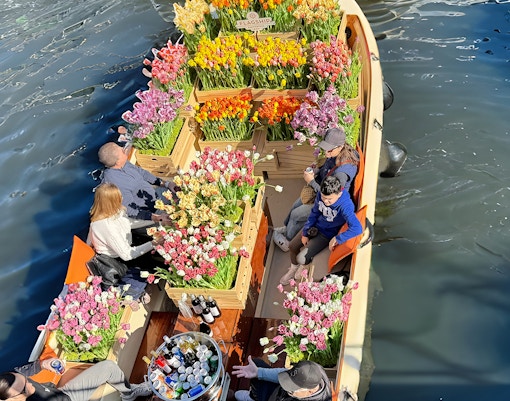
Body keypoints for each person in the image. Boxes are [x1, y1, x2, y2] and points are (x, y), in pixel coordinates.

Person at [273, 128, 359, 252]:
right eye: (325, 148)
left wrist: (311, 182)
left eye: (329, 150)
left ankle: (288, 240)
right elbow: (327, 167)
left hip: (327, 201)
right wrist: (316, 171)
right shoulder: (338, 152)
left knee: (296, 215)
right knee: (294, 205)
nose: (326, 153)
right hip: (321, 188)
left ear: (340, 147)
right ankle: (287, 229)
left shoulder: (341, 173)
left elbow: (329, 195)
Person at [280, 175, 362, 285]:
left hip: (326, 234)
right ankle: (293, 268)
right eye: (324, 198)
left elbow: (357, 228)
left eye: (329, 199)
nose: (326, 202)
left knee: (301, 258)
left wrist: (338, 238)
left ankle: (304, 265)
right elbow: (314, 213)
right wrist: (305, 232)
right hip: (316, 226)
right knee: (292, 246)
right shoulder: (321, 195)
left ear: (339, 194)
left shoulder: (346, 205)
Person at [86, 183, 162, 299]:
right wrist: (154, 243)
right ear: (111, 202)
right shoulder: (105, 227)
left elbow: (128, 223)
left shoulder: (112, 212)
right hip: (119, 260)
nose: (122, 199)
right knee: (154, 268)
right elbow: (127, 255)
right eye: (119, 197)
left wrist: (157, 219)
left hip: (127, 248)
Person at [0, 358, 151, 401]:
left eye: (26, 380)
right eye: (25, 389)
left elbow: (26, 370)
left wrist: (44, 364)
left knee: (108, 367)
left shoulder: (13, 379)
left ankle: (129, 393)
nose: (29, 383)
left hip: (66, 395)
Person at [98, 142, 175, 223]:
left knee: (183, 188)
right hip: (153, 212)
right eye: (121, 150)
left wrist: (167, 184)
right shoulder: (114, 184)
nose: (123, 149)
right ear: (118, 161)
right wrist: (157, 218)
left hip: (157, 195)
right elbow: (130, 210)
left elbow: (143, 173)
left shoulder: (124, 164)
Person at [231, 356, 332, 401]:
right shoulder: (314, 371)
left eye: (292, 389)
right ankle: (253, 396)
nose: (289, 389)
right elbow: (282, 373)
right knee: (257, 364)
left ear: (310, 392)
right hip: (277, 393)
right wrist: (258, 372)